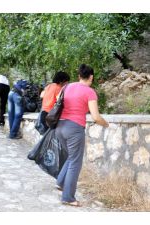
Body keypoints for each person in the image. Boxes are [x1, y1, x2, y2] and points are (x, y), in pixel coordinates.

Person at [55, 64, 109, 207]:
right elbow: (96, 117)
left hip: (59, 127)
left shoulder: (66, 87)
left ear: (79, 76)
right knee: (75, 162)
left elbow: (58, 103)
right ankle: (68, 197)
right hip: (74, 128)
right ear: (91, 77)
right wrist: (106, 124)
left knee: (72, 157)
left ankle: (60, 182)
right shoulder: (90, 92)